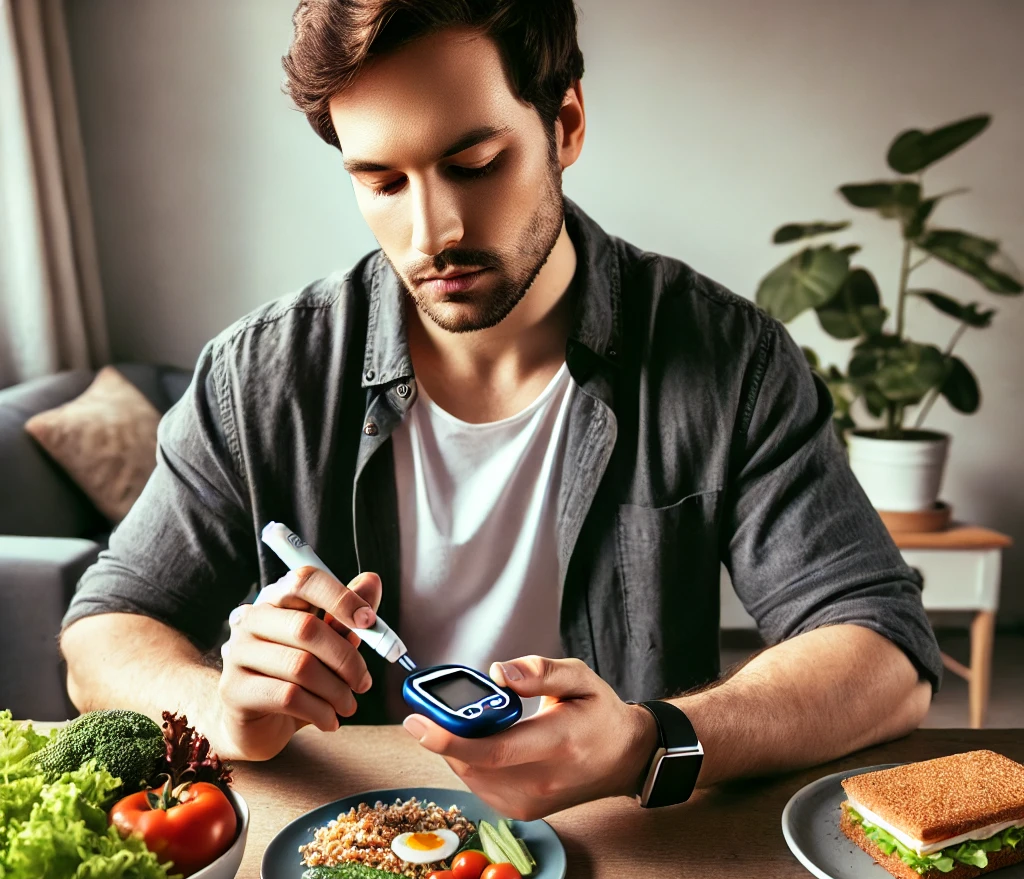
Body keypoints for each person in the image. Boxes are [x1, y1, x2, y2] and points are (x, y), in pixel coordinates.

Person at [60, 0, 941, 820]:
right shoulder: (260, 375)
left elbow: (885, 654)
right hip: (343, 849)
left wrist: (648, 740)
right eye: (382, 183)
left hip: (631, 849)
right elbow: (103, 632)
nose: (431, 231)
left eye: (473, 165)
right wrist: (225, 708)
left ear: (565, 123)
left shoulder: (728, 361)